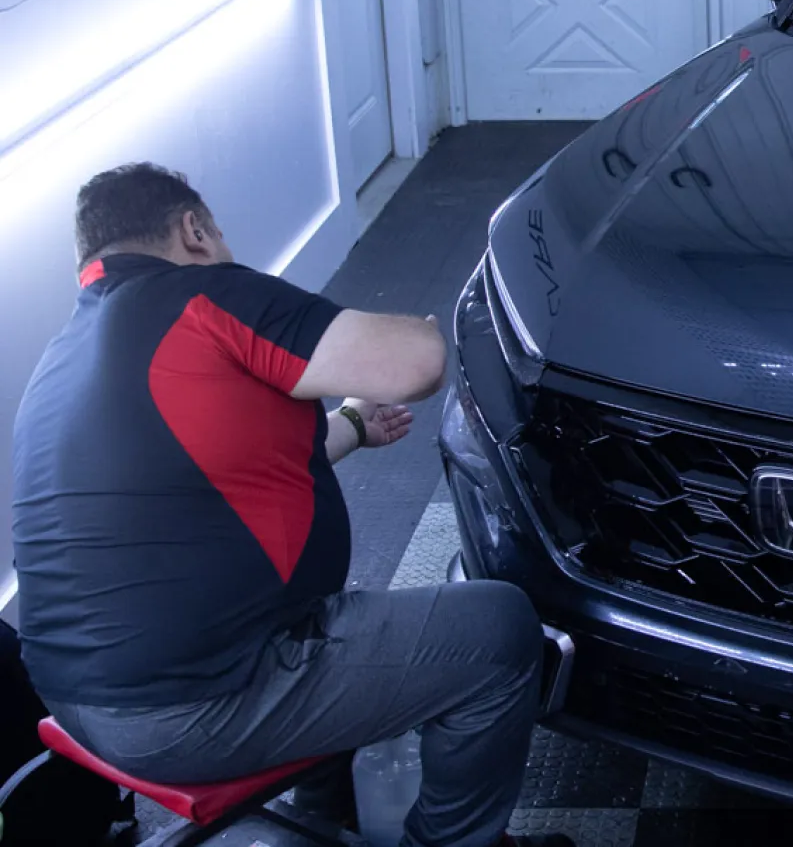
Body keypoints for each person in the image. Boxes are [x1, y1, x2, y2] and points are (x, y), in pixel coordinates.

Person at [10, 164, 569, 847]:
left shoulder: (62, 359)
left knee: (334, 614)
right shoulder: (204, 295)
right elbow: (418, 361)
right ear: (194, 230)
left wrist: (355, 427)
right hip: (193, 705)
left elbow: (215, 477)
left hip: (73, 701)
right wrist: (409, 333)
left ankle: (321, 814)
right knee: (497, 631)